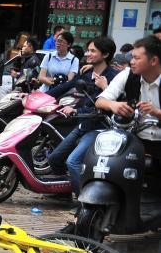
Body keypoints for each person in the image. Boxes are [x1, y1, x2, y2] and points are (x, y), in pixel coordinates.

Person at [46, 37, 117, 193]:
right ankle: (63, 193)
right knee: (54, 158)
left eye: (92, 51)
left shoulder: (113, 77)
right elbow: (66, 87)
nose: (87, 54)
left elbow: (106, 108)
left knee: (73, 162)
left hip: (99, 128)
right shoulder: (87, 73)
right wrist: (41, 97)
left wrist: (106, 88)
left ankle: (85, 203)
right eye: (88, 50)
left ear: (105, 54)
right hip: (83, 124)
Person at [95, 36, 161, 164]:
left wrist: (157, 112)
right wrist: (113, 105)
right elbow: (100, 100)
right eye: (132, 57)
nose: (131, 62)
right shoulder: (127, 74)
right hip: (136, 141)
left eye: (136, 58)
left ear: (153, 60)